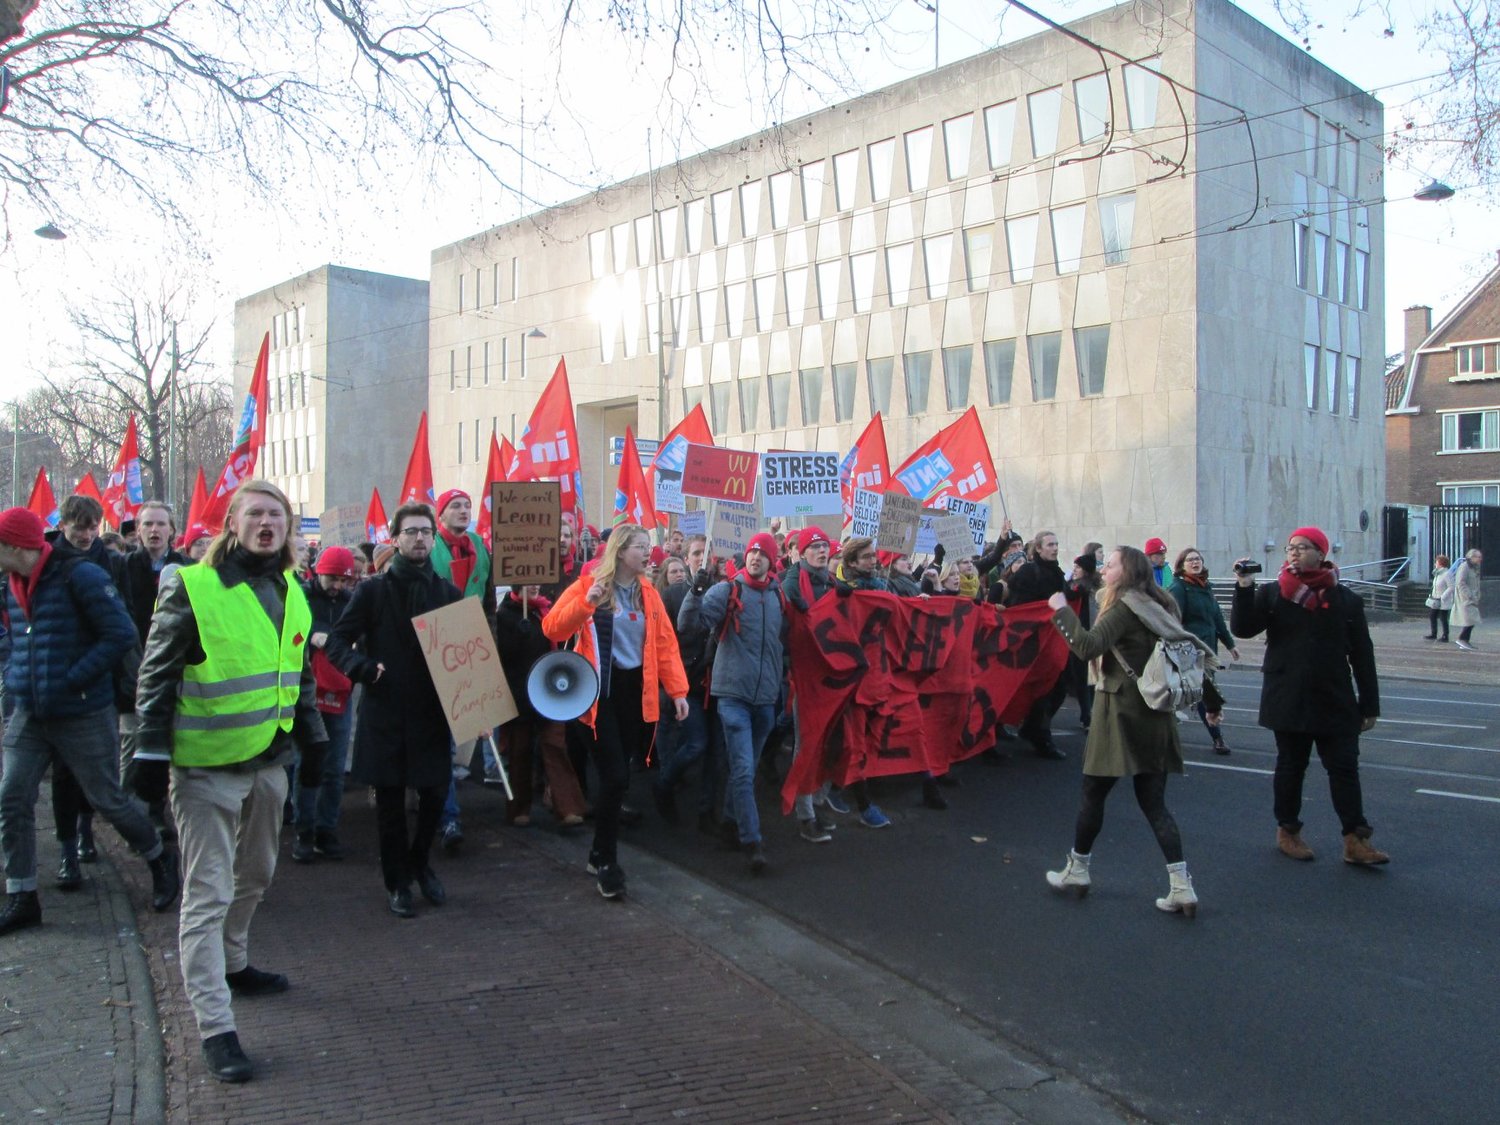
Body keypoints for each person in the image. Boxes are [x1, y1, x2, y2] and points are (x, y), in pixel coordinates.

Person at [135, 480, 327, 1083]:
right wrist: (146, 751)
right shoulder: (192, 585)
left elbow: (295, 673)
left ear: (289, 526)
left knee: (259, 873)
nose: (267, 524)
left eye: (277, 515)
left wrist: (314, 738)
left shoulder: (295, 587)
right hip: (205, 767)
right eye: (256, 514)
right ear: (233, 523)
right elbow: (156, 671)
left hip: (269, 760)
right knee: (208, 892)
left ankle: (235, 961)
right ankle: (216, 1027)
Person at [0, 506, 179, 936]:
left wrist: (73, 677)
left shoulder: (79, 575)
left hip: (81, 709)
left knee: (107, 798)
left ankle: (158, 855)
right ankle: (22, 894)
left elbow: (120, 635)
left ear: (13, 546)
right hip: (30, 709)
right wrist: (12, 673)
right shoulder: (9, 582)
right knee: (10, 797)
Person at [1044, 546, 1213, 917]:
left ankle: (1078, 869)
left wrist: (1059, 609)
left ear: (1128, 570)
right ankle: (1181, 886)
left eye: (1112, 563)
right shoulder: (1162, 603)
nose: (1105, 568)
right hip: (1156, 714)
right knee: (1154, 804)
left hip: (1119, 714)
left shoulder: (1124, 608)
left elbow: (1086, 646)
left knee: (1093, 793)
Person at [325, 503, 461, 918]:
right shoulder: (372, 591)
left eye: (426, 532)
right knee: (389, 802)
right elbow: (336, 642)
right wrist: (362, 669)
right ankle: (397, 880)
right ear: (396, 538)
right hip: (386, 710)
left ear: (433, 539)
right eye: (411, 532)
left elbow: (467, 656)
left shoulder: (447, 593)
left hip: (432, 712)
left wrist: (477, 705)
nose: (420, 538)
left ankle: (420, 862)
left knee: (436, 793)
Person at [542, 524, 689, 899]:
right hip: (598, 694)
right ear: (621, 551)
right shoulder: (590, 585)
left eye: (648, 547)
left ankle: (597, 852)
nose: (648, 553)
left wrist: (677, 691)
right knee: (614, 775)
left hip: (634, 694)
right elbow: (553, 627)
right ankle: (607, 861)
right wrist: (586, 602)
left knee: (619, 776)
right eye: (641, 546)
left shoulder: (648, 593)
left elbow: (666, 644)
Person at [1230, 525, 1387, 866]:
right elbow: (1242, 628)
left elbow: (1362, 654)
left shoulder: (1346, 600)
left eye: (1303, 547)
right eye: (1291, 547)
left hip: (1335, 698)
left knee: (1344, 768)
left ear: (1321, 553)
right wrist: (1244, 588)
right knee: (1291, 766)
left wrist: (1369, 704)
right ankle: (1288, 831)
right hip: (1289, 696)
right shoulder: (1274, 594)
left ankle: (1355, 840)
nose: (1294, 552)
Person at [678, 531, 784, 873]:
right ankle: (752, 840)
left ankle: (727, 823)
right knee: (742, 768)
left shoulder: (778, 595)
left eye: (762, 554)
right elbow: (688, 625)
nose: (755, 557)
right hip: (733, 696)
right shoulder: (727, 590)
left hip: (765, 698)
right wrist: (696, 590)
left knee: (746, 769)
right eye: (751, 552)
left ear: (771, 561)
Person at [47, 494, 133, 888]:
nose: (85, 534)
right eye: (78, 527)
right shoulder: (46, 560)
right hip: (61, 677)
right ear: (63, 524)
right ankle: (68, 849)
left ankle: (86, 830)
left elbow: (124, 621)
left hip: (101, 677)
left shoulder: (112, 562)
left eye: (91, 527)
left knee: (98, 765)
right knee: (64, 769)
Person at [782, 526, 874, 834]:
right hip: (806, 678)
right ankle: (805, 814)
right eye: (815, 547)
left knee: (833, 742)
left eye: (825, 547)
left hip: (832, 677)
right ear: (803, 552)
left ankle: (818, 800)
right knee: (808, 743)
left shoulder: (833, 583)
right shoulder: (794, 583)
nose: (822, 552)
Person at [427, 488, 495, 853]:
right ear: (441, 514)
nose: (464, 511)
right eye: (456, 506)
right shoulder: (431, 546)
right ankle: (447, 814)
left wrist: (488, 641)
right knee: (440, 734)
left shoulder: (477, 546)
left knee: (461, 730)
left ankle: (444, 802)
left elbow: (487, 595)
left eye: (467, 506)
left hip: (470, 641)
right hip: (437, 640)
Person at [493, 584, 587, 828]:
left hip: (550, 690)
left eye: (536, 581)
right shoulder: (503, 615)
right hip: (518, 693)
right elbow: (501, 654)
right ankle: (518, 808)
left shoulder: (547, 610)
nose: (534, 585)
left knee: (555, 746)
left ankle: (567, 808)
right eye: (527, 582)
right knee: (519, 751)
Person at [291, 545, 360, 863]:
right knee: (308, 762)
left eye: (343, 581)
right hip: (306, 692)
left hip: (340, 690)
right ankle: (303, 831)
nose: (338, 586)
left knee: (333, 768)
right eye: (333, 579)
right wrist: (315, 636)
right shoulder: (301, 596)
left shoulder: (350, 601)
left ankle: (326, 830)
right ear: (319, 572)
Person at [1005, 530, 1070, 760]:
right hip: (1035, 641)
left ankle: (1034, 728)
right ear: (1039, 549)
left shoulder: (1057, 572)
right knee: (1042, 688)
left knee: (1057, 688)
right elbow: (1020, 607)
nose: (1055, 548)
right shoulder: (1028, 573)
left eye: (1056, 543)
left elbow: (1064, 598)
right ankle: (1039, 734)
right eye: (1050, 544)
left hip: (1054, 639)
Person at [1170, 548, 1239, 754]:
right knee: (1203, 693)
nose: (1195, 562)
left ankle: (1159, 735)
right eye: (1190, 560)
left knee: (1192, 694)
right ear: (1182, 565)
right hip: (1189, 650)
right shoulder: (1179, 588)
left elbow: (1217, 618)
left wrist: (1230, 644)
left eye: (1198, 559)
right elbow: (1173, 621)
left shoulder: (1206, 587)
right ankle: (1217, 737)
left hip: (1208, 650)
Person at [1451, 548, 1483, 651]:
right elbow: (1460, 582)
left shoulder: (1475, 567)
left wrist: (1477, 595)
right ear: (1471, 557)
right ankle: (1462, 639)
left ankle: (1465, 641)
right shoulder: (1464, 567)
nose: (1480, 559)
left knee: (1471, 620)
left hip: (1472, 598)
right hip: (1465, 599)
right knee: (1469, 619)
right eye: (1478, 557)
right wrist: (1469, 595)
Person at [1425, 554, 1453, 642]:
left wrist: (1443, 596)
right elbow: (1435, 586)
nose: (1435, 564)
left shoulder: (1446, 574)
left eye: (1436, 562)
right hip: (1436, 599)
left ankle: (1445, 635)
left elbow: (1451, 587)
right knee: (1432, 615)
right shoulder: (1437, 574)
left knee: (1443, 617)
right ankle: (1434, 633)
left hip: (1443, 600)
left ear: (1441, 563)